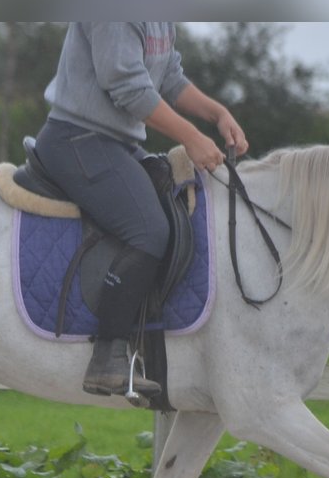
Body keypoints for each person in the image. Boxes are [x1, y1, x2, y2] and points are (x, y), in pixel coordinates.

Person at [33, 22, 249, 397]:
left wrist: (217, 114)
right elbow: (128, 87)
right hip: (77, 138)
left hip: (114, 143)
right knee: (148, 230)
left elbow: (169, 77)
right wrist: (191, 137)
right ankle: (107, 355)